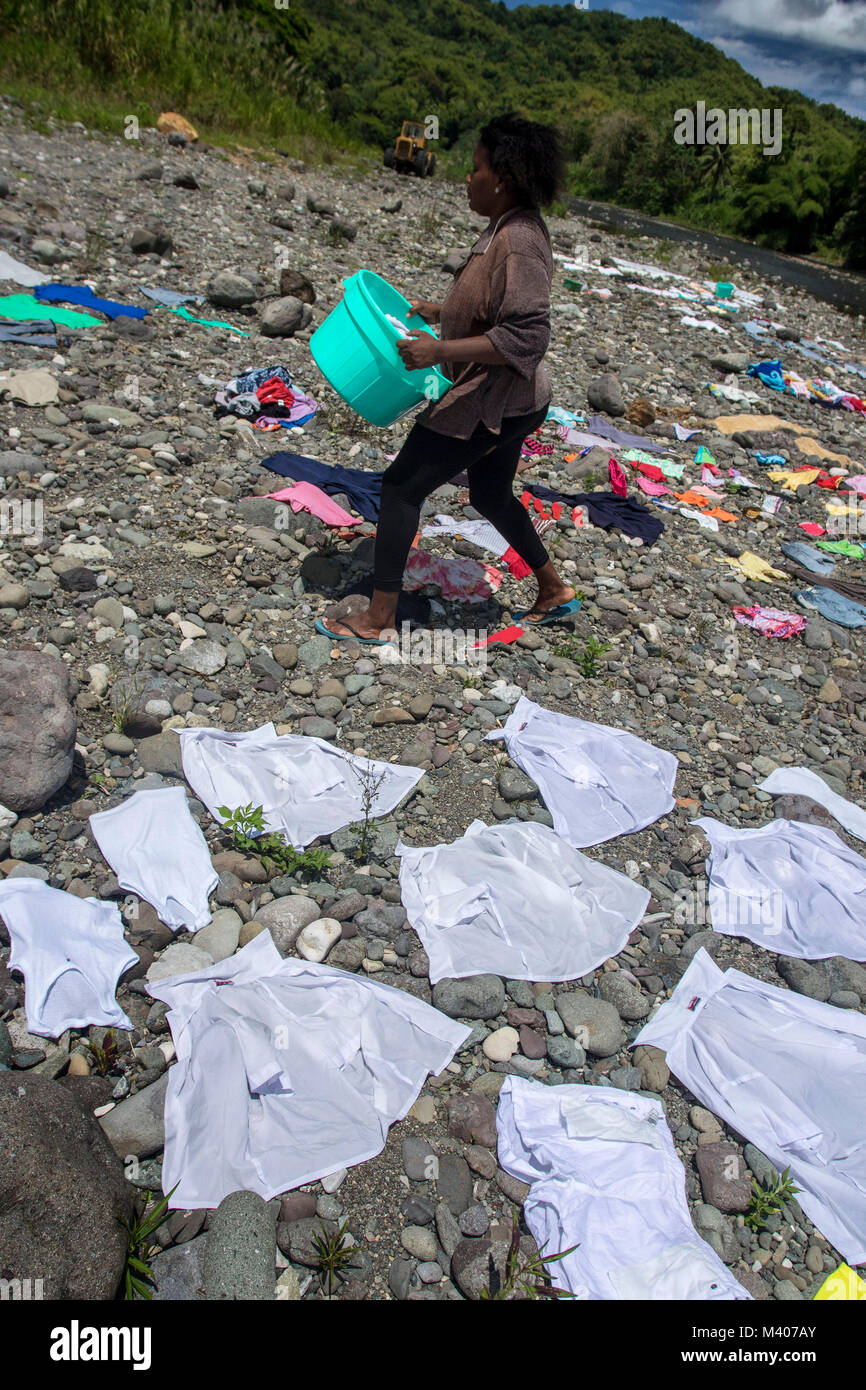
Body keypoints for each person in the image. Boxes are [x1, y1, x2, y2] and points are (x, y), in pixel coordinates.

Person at [322, 112, 576, 643]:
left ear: (502, 178)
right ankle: (554, 589)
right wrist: (437, 311)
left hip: (494, 398)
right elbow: (490, 308)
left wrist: (439, 350)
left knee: (400, 488)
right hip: (513, 399)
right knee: (490, 493)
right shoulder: (502, 228)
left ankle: (378, 618)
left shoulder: (522, 240)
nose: (467, 178)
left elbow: (527, 337)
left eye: (476, 168)